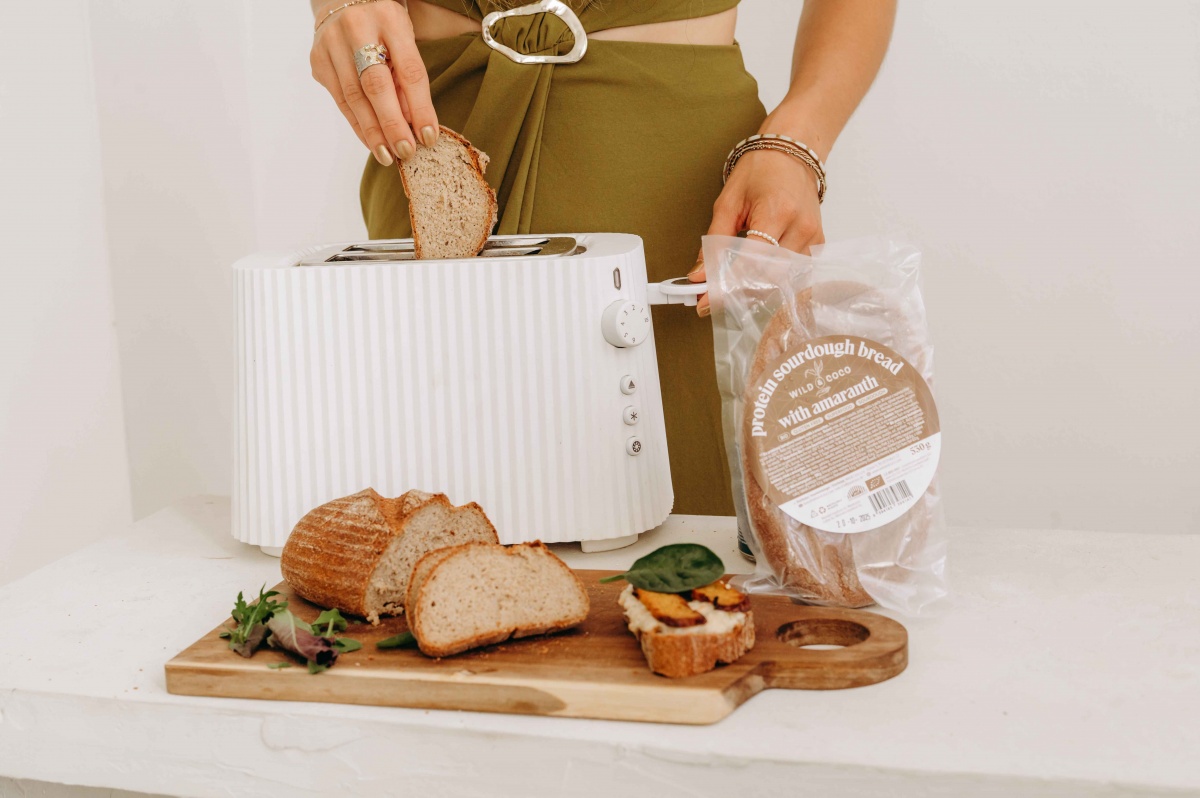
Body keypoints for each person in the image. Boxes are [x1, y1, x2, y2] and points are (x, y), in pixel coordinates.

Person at [308, 0, 897, 516]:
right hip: (438, 153)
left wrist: (796, 142)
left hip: (680, 185)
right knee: (424, 522)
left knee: (689, 550)